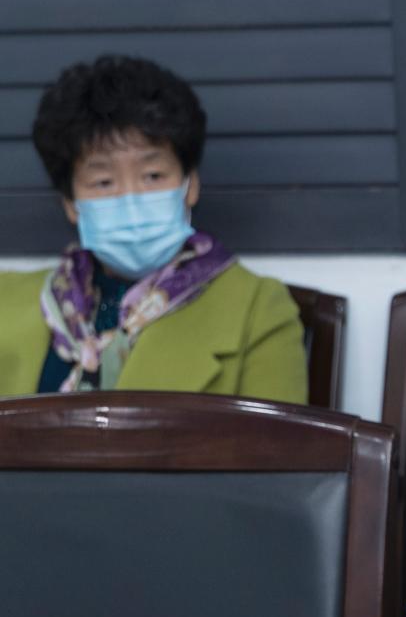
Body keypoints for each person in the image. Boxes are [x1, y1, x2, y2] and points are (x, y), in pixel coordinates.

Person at [0, 55, 306, 402]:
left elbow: (279, 438)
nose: (131, 199)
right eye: (103, 182)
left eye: (153, 176)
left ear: (190, 185)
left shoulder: (257, 308)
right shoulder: (6, 299)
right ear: (70, 203)